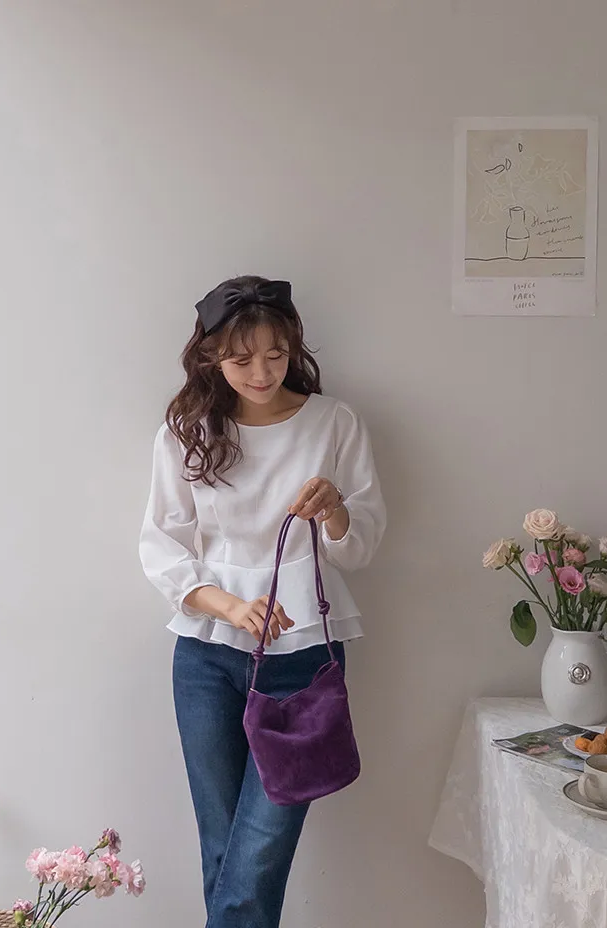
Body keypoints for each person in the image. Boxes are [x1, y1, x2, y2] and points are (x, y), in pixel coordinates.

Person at [139, 275, 386, 928]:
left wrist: (334, 510)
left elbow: (360, 547)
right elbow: (161, 543)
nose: (261, 372)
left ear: (293, 348)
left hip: (301, 657)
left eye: (275, 354)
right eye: (241, 358)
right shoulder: (187, 431)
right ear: (212, 356)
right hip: (205, 656)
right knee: (223, 852)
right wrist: (228, 606)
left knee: (256, 859)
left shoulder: (334, 423)